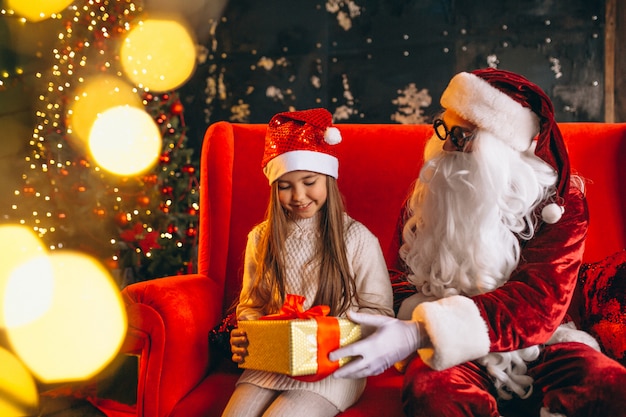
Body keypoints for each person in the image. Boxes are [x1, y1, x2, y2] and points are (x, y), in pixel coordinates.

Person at [329, 69, 626, 416]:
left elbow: (538, 303)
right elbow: (397, 278)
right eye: (445, 130)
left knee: (610, 385)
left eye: (463, 136)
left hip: (543, 341)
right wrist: (409, 324)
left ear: (502, 147)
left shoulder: (559, 206)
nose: (447, 146)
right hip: (446, 348)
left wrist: (417, 332)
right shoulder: (428, 195)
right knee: (431, 393)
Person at [222, 108, 394, 417]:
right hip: (272, 363)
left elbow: (379, 314)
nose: (299, 195)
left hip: (334, 367)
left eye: (309, 181)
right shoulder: (261, 239)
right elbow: (251, 305)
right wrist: (248, 333)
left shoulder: (358, 239)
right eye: (285, 186)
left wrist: (326, 334)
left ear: (327, 178)